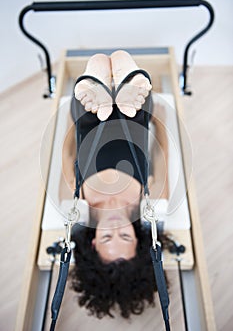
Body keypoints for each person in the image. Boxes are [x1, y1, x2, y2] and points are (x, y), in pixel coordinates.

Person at [60, 50, 169, 318]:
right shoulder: (148, 204)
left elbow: (67, 154)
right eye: (126, 235)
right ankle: (125, 77)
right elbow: (161, 156)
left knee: (91, 87)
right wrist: (160, 120)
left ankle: (97, 79)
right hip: (134, 118)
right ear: (138, 239)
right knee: (124, 68)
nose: (115, 228)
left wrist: (69, 120)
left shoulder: (78, 204)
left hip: (90, 118)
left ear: (94, 243)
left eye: (108, 236)